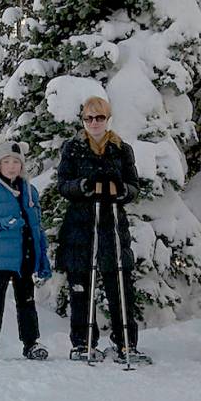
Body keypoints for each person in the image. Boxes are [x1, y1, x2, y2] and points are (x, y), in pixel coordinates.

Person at [56, 96, 151, 365]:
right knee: (81, 287)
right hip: (80, 226)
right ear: (83, 120)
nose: (94, 123)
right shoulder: (73, 148)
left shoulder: (121, 149)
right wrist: (83, 186)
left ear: (108, 119)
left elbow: (133, 186)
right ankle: (83, 342)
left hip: (111, 224)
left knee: (118, 283)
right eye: (89, 118)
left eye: (99, 118)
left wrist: (121, 191)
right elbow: (63, 184)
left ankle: (125, 343)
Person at [0, 141, 52, 361]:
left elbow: (37, 227)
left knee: (27, 302)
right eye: (6, 162)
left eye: (16, 162)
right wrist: (1, 223)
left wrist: (41, 257)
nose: (12, 166)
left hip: (24, 256)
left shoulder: (29, 190)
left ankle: (31, 343)